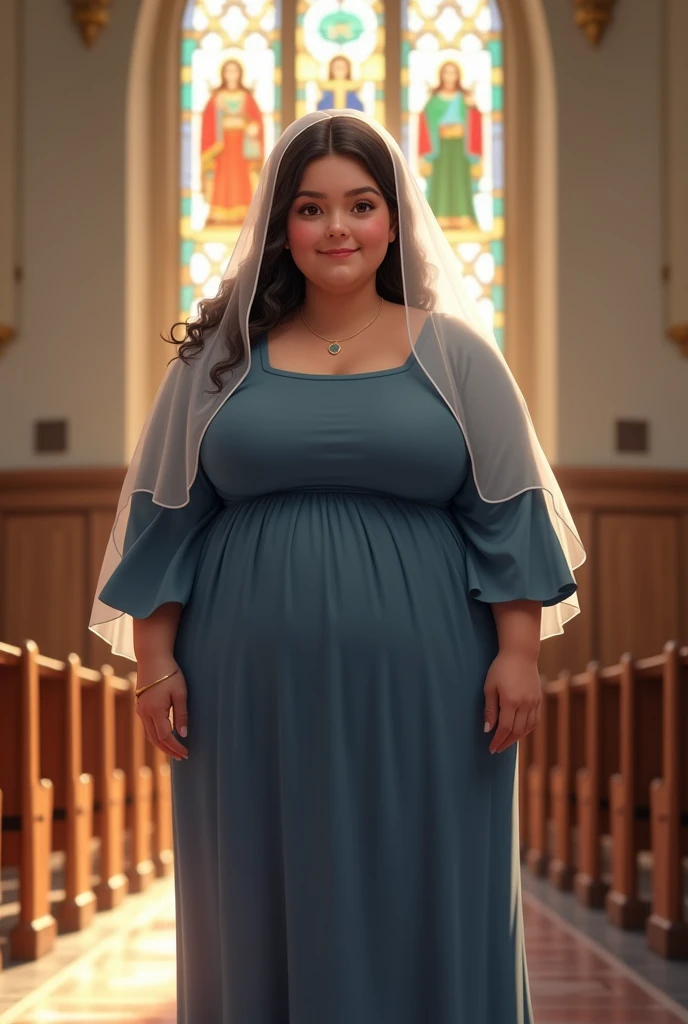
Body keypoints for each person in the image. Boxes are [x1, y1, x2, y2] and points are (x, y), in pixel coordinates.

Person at [91, 109, 584, 1023]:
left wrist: (520, 653)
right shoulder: (219, 361)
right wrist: (153, 665)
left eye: (360, 205)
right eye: (312, 209)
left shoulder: (456, 355)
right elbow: (165, 521)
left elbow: (506, 508)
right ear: (283, 226)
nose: (338, 229)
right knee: (255, 890)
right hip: (247, 691)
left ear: (394, 220)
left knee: (426, 881)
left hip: (434, 685)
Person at [418, 60, 482, 228]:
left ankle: (464, 217)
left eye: (453, 72)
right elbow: (425, 122)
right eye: (446, 72)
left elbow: (475, 121)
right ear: (441, 75)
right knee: (441, 182)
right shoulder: (434, 101)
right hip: (441, 148)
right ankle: (438, 219)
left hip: (460, 148)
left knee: (460, 181)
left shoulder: (464, 99)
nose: (450, 76)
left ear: (458, 76)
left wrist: (472, 107)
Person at [201, 58, 263, 226]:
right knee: (223, 179)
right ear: (223, 74)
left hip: (241, 146)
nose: (231, 75)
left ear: (240, 74)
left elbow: (256, 120)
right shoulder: (216, 98)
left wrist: (251, 128)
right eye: (228, 71)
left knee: (240, 179)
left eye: (235, 71)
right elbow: (208, 122)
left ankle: (244, 214)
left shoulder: (246, 97)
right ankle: (219, 214)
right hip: (222, 146)